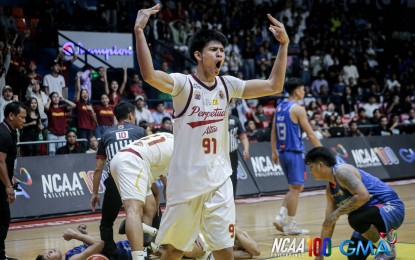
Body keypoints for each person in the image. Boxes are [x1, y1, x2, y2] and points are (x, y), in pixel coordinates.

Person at [134, 4, 289, 259]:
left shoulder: (227, 85)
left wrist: (283, 46)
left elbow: (274, 85)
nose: (220, 55)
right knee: (174, 250)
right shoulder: (184, 85)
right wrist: (140, 30)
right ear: (198, 55)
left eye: (222, 51)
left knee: (224, 249)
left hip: (218, 181)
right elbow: (150, 75)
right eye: (214, 50)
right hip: (185, 184)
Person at [304, 147, 405, 260]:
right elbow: (328, 223)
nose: (310, 171)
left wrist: (336, 213)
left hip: (391, 208)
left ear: (320, 165)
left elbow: (363, 196)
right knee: (354, 256)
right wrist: (320, 255)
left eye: (311, 167)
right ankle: (384, 236)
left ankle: (386, 249)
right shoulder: (330, 189)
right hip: (370, 215)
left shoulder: (342, 172)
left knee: (355, 218)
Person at [90, 102, 147, 259]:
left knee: (106, 223)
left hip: (114, 181)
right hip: (136, 179)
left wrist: (95, 193)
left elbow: (98, 169)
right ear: (130, 115)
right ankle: (146, 250)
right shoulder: (140, 131)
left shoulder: (106, 135)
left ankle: (110, 253)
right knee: (146, 214)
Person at [271, 78, 322, 235]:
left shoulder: (280, 107)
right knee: (295, 189)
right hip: (294, 153)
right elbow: (311, 133)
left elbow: (273, 131)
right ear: (296, 91)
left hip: (283, 153)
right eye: (302, 89)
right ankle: (291, 224)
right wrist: (323, 152)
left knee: (296, 187)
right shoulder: (298, 109)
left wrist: (274, 151)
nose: (304, 92)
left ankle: (280, 217)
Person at [110, 133, 173, 260]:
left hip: (126, 158)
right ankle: (138, 257)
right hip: (133, 162)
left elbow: (159, 162)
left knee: (150, 205)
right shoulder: (184, 151)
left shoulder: (170, 139)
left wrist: (166, 185)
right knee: (133, 210)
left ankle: (144, 247)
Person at [0, 102, 26, 260]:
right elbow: (0, 162)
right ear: (11, 116)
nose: (24, 120)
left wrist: (10, 176)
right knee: (3, 219)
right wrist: (8, 186)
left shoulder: (9, 131)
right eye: (22, 117)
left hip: (3, 180)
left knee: (3, 219)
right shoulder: (3, 134)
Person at [228, 114, 249, 198]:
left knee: (233, 177)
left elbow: (243, 137)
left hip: (232, 153)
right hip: (219, 155)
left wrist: (246, 149)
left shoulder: (235, 120)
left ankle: (232, 199)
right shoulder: (215, 119)